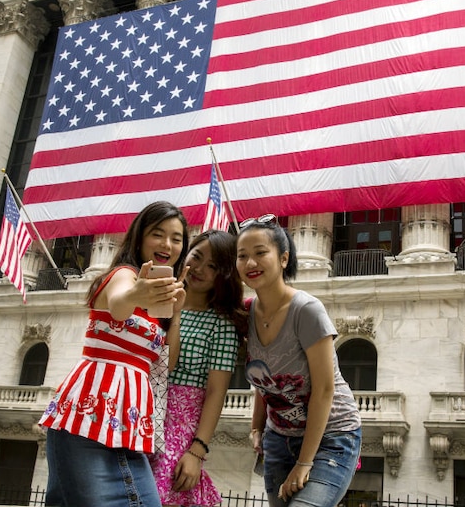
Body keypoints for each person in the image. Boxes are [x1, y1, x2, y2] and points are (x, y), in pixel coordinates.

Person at [38, 201, 190, 507]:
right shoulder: (124, 274)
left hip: (129, 427)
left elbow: (167, 363)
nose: (167, 244)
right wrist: (137, 293)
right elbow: (120, 305)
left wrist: (175, 313)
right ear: (139, 237)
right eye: (157, 234)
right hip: (88, 420)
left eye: (176, 238)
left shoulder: (160, 299)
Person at [237, 214, 362, 507]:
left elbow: (324, 390)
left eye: (260, 253)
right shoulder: (245, 313)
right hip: (278, 439)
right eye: (242, 256)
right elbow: (263, 379)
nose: (250, 263)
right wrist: (257, 427)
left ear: (283, 258)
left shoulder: (306, 310)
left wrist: (305, 463)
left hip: (333, 436)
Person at [150, 230, 248, 507]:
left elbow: (217, 391)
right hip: (142, 414)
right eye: (197, 257)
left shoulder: (222, 323)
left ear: (225, 275)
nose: (200, 269)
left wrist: (197, 450)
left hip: (181, 424)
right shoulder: (154, 305)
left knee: (160, 494)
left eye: (213, 266)